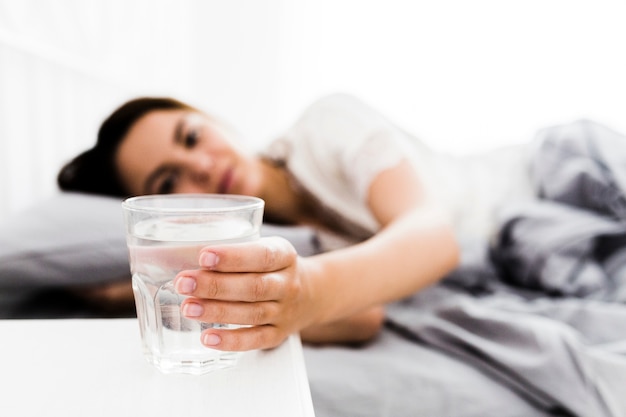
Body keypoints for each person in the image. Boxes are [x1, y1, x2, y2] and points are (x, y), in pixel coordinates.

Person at [56, 93, 480, 350]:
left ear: (209, 117)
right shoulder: (258, 241)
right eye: (169, 182)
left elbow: (434, 234)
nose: (201, 166)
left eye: (191, 136)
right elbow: (365, 316)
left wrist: (311, 290)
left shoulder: (327, 125)